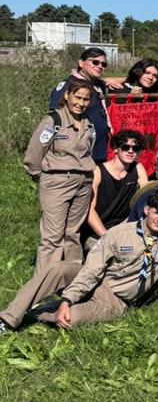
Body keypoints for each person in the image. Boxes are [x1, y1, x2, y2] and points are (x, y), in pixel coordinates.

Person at [1, 189, 158, 333]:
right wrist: (68, 298)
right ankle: (8, 319)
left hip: (116, 300)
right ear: (147, 210)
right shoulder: (119, 233)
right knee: (58, 269)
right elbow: (92, 269)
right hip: (99, 281)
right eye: (157, 213)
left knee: (71, 319)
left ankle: (35, 313)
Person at [23, 77, 97, 272]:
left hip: (83, 183)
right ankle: (45, 282)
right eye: (77, 97)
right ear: (67, 95)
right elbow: (34, 153)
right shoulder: (53, 120)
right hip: (57, 182)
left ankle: (71, 278)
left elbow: (88, 151)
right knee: (53, 236)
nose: (81, 103)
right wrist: (42, 178)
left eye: (86, 99)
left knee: (73, 233)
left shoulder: (88, 123)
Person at [49, 46, 117, 162]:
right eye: (95, 62)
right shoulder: (69, 85)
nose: (100, 66)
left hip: (99, 149)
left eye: (103, 64)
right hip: (78, 152)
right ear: (81, 63)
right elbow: (55, 115)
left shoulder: (98, 85)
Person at [85, 130, 149, 241]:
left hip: (124, 228)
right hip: (98, 231)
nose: (130, 151)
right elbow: (89, 210)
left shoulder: (138, 168)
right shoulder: (98, 171)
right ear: (115, 148)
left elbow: (145, 199)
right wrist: (107, 237)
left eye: (135, 148)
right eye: (125, 147)